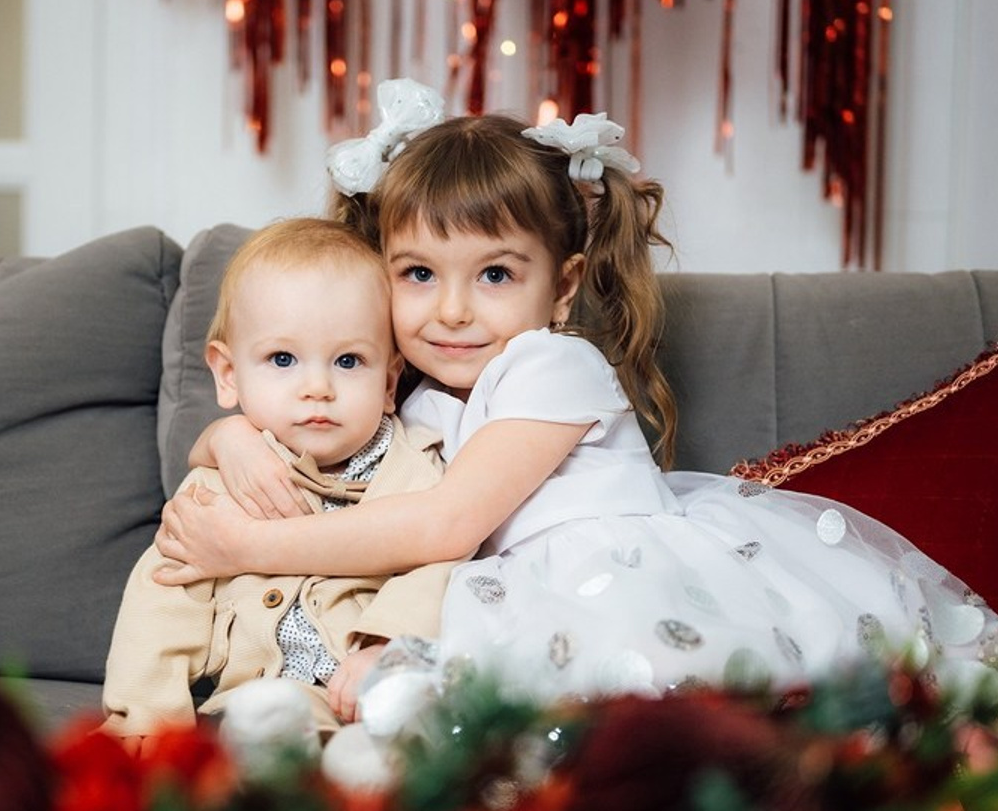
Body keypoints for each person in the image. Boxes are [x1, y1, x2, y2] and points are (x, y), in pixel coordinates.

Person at [154, 80, 997, 713]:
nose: (451, 309)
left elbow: (446, 525)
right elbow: (289, 424)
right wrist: (224, 441)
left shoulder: (554, 369)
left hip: (616, 582)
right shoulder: (394, 390)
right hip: (505, 594)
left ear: (561, 288)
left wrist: (245, 549)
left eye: (494, 274)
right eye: (418, 274)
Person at [100, 216, 454, 748]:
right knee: (253, 733)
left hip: (363, 696)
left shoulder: (416, 470)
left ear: (388, 383)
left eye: (349, 360)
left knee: (394, 743)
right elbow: (164, 602)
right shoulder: (221, 485)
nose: (317, 387)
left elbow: (439, 569)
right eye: (283, 359)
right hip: (251, 701)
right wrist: (147, 720)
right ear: (228, 374)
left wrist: (387, 647)